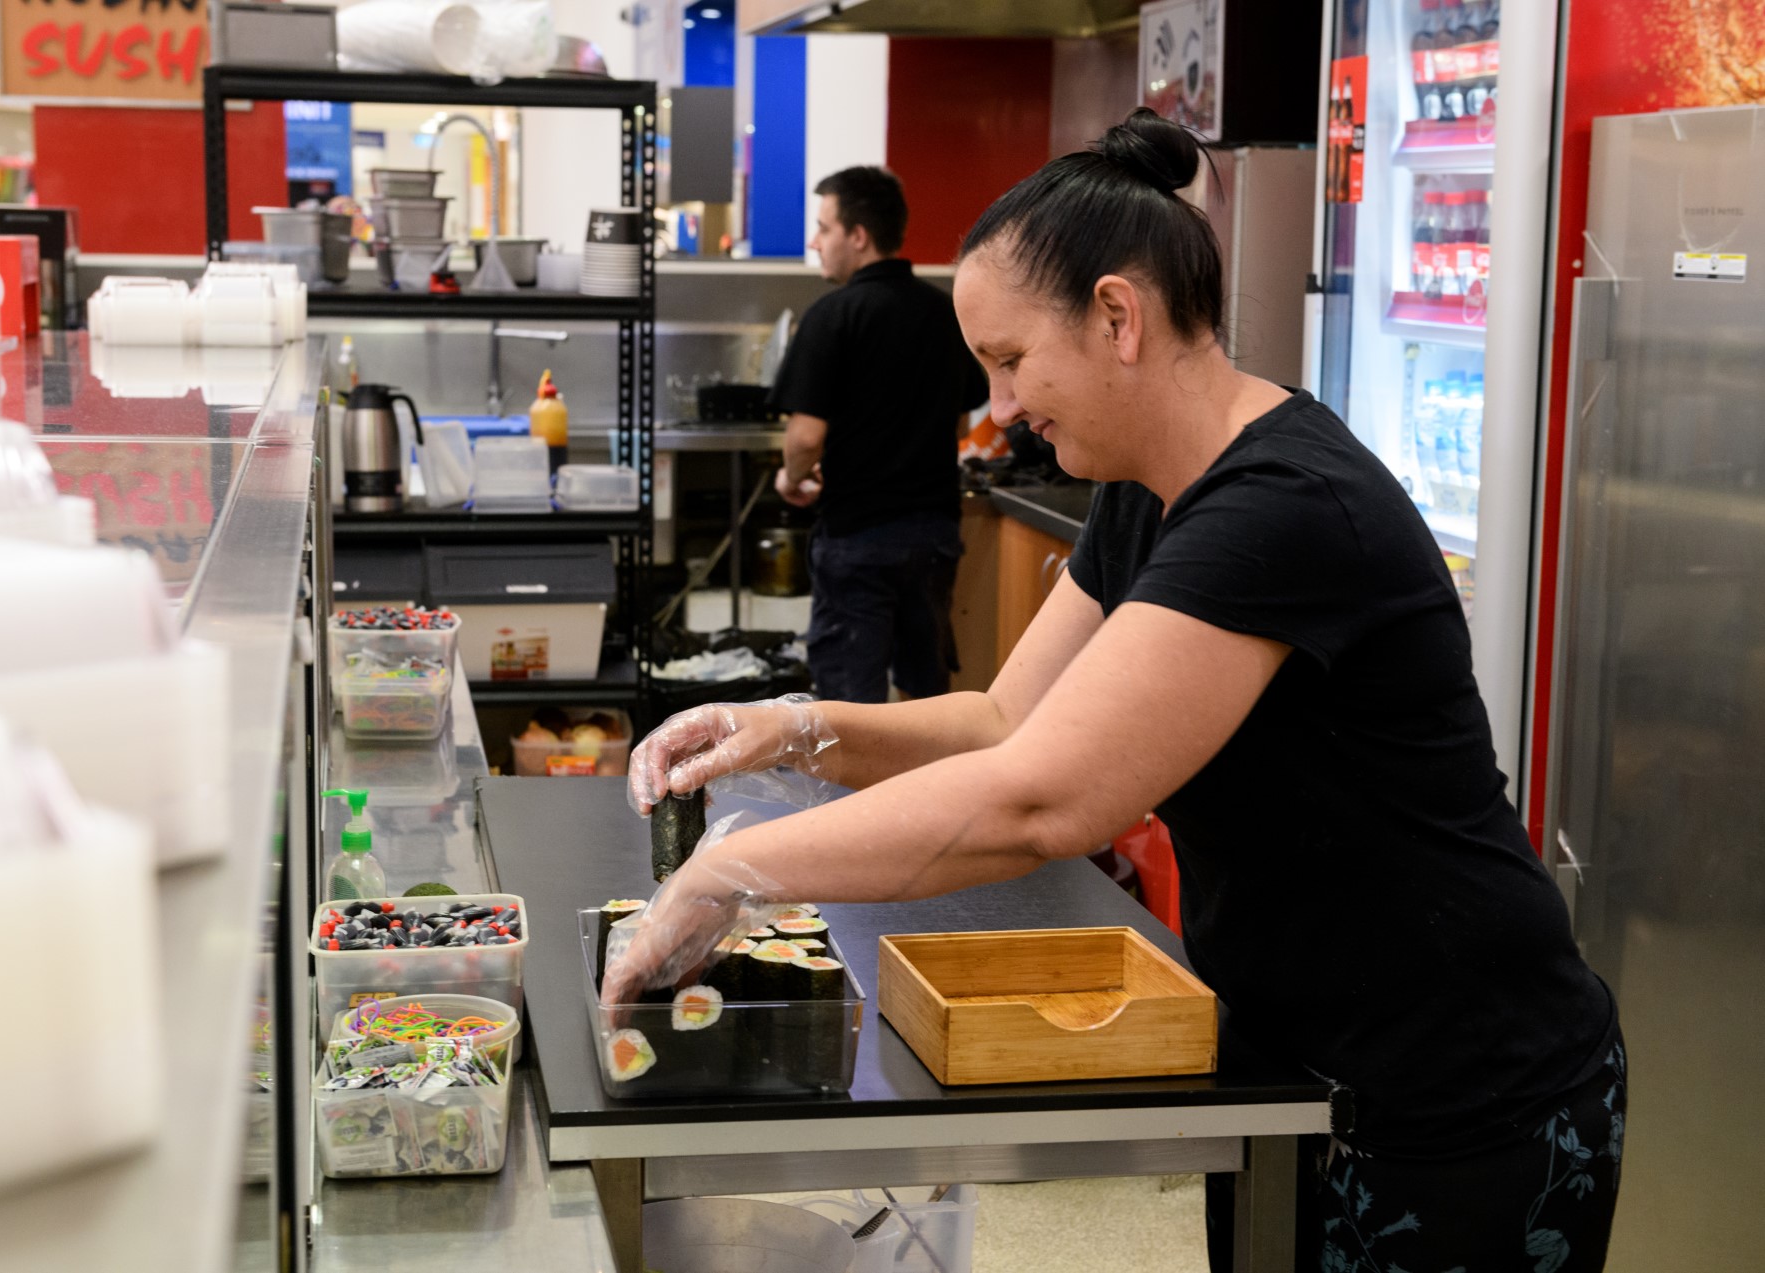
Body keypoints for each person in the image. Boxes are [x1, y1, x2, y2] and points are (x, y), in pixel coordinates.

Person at [611, 109, 1626, 1272]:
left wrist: (734, 869)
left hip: (1466, 1093)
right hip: (1299, 1066)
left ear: (1114, 315)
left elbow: (1043, 802)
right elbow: (1004, 719)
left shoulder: (1280, 507)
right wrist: (788, 727)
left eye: (1006, 361)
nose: (996, 408)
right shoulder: (1152, 489)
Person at [769, 165, 989, 703]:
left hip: (858, 537)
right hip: (934, 536)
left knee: (849, 701)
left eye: (824, 228)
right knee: (925, 694)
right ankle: (926, 790)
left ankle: (858, 795)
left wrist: (790, 479)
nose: (814, 241)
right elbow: (959, 421)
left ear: (858, 236)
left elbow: (803, 439)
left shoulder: (832, 316)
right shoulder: (944, 312)